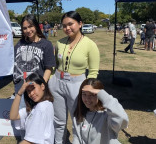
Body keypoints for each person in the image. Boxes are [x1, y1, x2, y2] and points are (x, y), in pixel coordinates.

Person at [48, 11, 100, 144]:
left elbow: (93, 71)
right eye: (64, 25)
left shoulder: (90, 45)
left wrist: (88, 88)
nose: (67, 28)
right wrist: (51, 79)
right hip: (57, 83)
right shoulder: (59, 43)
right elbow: (54, 64)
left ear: (80, 24)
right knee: (58, 120)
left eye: (70, 24)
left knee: (78, 119)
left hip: (77, 85)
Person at [13, 14, 56, 107]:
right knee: (22, 115)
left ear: (36, 26)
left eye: (30, 26)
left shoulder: (46, 44)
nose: (28, 30)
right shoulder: (20, 43)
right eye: (25, 28)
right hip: (21, 86)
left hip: (36, 87)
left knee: (37, 114)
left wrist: (41, 85)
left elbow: (49, 68)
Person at [73, 78, 129, 144]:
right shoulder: (79, 115)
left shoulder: (107, 116)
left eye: (92, 94)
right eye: (84, 94)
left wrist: (102, 93)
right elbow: (76, 139)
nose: (87, 98)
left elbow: (122, 118)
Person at [10, 73, 55, 144]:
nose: (31, 93)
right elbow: (13, 116)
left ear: (42, 86)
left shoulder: (42, 107)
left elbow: (30, 141)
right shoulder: (36, 107)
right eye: (28, 91)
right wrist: (19, 94)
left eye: (33, 88)